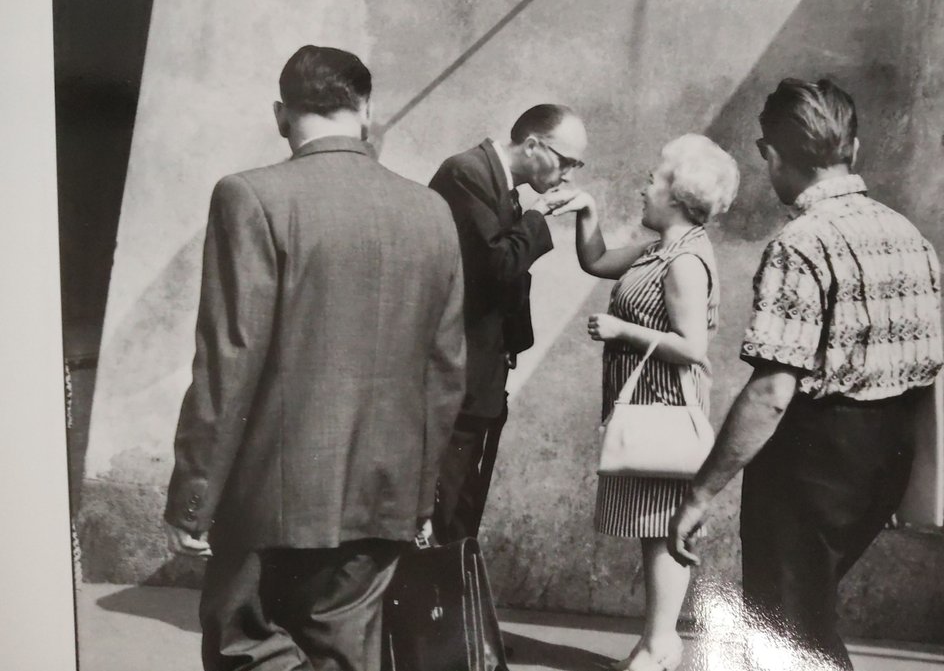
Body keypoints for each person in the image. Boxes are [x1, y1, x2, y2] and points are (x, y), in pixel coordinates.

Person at [163, 45, 466, 671]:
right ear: (366, 110)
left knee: (245, 646)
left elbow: (229, 361)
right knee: (345, 655)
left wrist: (194, 496)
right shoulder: (431, 211)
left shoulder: (251, 196)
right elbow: (446, 371)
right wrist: (418, 501)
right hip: (381, 496)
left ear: (281, 114)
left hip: (268, 499)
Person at [669, 79, 944, 670]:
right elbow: (925, 377)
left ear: (772, 154)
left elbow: (771, 393)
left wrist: (700, 493)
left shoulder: (800, 243)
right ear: (855, 147)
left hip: (814, 462)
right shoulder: (910, 237)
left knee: (788, 636)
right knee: (806, 622)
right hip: (886, 459)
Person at [555, 134, 739, 671]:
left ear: (680, 197)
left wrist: (623, 331)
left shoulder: (685, 261)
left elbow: (693, 350)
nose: (644, 185)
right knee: (653, 526)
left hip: (665, 406)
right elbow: (595, 260)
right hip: (647, 404)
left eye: (656, 179)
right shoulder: (664, 249)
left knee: (663, 529)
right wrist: (586, 210)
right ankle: (655, 640)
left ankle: (662, 645)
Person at [428, 104, 586, 545]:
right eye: (566, 161)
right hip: (456, 379)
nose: (569, 174)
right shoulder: (466, 173)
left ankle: (451, 607)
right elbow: (499, 263)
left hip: (480, 378)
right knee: (445, 511)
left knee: (461, 511)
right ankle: (432, 608)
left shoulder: (499, 185)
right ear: (533, 145)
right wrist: (536, 216)